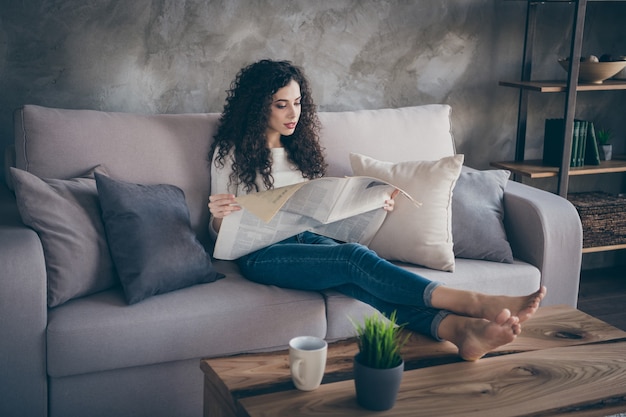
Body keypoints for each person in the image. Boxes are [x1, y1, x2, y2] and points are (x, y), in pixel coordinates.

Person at [208, 59, 546, 361]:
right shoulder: (230, 153)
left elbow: (319, 214)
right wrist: (218, 218)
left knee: (361, 281)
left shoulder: (301, 152)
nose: (293, 114)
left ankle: (459, 332)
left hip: (308, 239)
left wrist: (368, 205)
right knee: (353, 258)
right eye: (281, 105)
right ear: (257, 108)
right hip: (261, 255)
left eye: (297, 103)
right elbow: (219, 233)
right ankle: (473, 302)